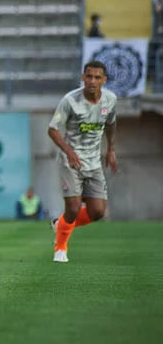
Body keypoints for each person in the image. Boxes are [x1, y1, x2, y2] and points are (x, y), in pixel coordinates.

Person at [48, 60, 117, 263]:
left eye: (97, 77)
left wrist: (111, 149)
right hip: (71, 161)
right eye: (89, 76)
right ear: (82, 77)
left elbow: (111, 123)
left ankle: (58, 224)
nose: (92, 81)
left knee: (97, 211)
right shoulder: (70, 100)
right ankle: (60, 249)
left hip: (94, 162)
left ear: (104, 80)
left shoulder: (111, 99)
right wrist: (68, 151)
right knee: (73, 207)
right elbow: (52, 129)